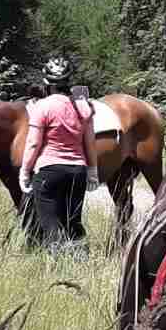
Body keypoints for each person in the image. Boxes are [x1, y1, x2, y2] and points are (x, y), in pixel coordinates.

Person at [18, 57, 99, 251]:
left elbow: (33, 143)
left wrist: (25, 172)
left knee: (50, 223)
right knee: (73, 222)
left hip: (49, 171)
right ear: (69, 80)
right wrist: (93, 170)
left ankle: (58, 266)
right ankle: (80, 261)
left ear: (46, 82)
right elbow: (90, 142)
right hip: (77, 171)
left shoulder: (42, 107)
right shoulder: (83, 107)